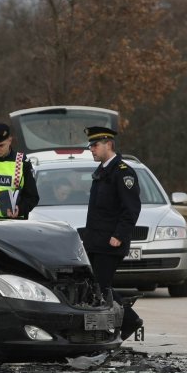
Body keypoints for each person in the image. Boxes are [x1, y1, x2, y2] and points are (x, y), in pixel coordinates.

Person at [80, 126, 143, 340]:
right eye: (91, 146)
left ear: (109, 144)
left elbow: (131, 209)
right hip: (95, 242)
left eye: (95, 145)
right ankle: (107, 327)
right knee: (96, 287)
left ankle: (129, 322)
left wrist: (119, 235)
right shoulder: (102, 172)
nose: (92, 149)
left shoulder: (123, 172)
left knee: (101, 287)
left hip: (110, 243)